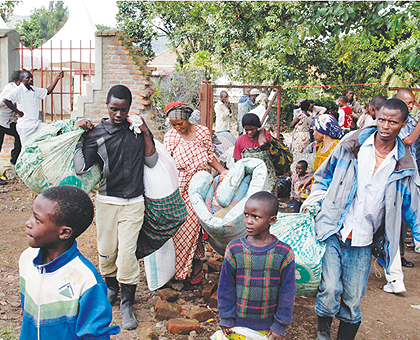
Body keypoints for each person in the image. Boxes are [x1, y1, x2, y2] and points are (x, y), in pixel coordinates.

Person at [303, 98, 420, 340]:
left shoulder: (404, 164)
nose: (385, 126)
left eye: (393, 122)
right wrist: (317, 199)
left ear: (404, 124)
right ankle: (323, 332)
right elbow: (325, 174)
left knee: (353, 298)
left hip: (364, 239)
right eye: (382, 120)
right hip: (335, 229)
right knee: (330, 288)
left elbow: (413, 207)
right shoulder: (352, 143)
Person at [73, 85, 158, 330]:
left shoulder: (136, 130)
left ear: (130, 108)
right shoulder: (97, 133)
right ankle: (111, 288)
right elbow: (81, 167)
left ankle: (127, 302)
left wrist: (144, 131)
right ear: (107, 106)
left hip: (134, 202)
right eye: (113, 109)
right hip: (107, 201)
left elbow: (151, 160)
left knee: (127, 253)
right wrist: (80, 136)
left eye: (123, 110)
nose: (118, 115)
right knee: (106, 250)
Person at [19, 185, 120, 339]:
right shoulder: (27, 260)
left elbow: (95, 334)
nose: (28, 223)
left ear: (64, 232)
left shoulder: (86, 281)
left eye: (37, 220)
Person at [164, 101, 228, 284]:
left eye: (180, 124)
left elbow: (209, 155)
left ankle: (187, 270)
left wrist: (223, 171)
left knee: (193, 225)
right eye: (173, 125)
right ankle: (189, 265)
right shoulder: (170, 137)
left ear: (188, 119)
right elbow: (167, 163)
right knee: (182, 228)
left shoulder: (202, 132)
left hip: (199, 186)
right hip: (179, 186)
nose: (177, 128)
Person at [218, 191, 296, 340]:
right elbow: (226, 286)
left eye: (256, 217)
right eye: (246, 214)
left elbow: (288, 292)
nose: (248, 220)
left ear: (272, 220)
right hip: (237, 324)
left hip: (268, 327)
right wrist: (226, 317)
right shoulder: (235, 249)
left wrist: (280, 325)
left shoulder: (283, 253)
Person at [3, 69, 64, 145]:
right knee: (26, 149)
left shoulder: (33, 90)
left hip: (36, 124)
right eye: (27, 78)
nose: (31, 79)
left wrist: (57, 78)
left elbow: (47, 91)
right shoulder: (19, 90)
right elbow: (6, 100)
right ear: (22, 80)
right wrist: (18, 112)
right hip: (25, 127)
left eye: (31, 77)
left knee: (54, 130)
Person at [233, 113, 276, 193]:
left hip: (266, 177)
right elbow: (237, 161)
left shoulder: (265, 135)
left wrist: (262, 130)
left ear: (257, 127)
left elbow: (263, 144)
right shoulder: (240, 141)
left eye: (252, 129)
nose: (249, 132)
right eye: (247, 130)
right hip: (249, 178)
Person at [0, 70, 21, 185]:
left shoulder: (17, 89)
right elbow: (3, 101)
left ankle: (13, 163)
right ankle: (12, 164)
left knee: (19, 138)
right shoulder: (10, 89)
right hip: (1, 121)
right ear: (19, 81)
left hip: (7, 122)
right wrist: (16, 110)